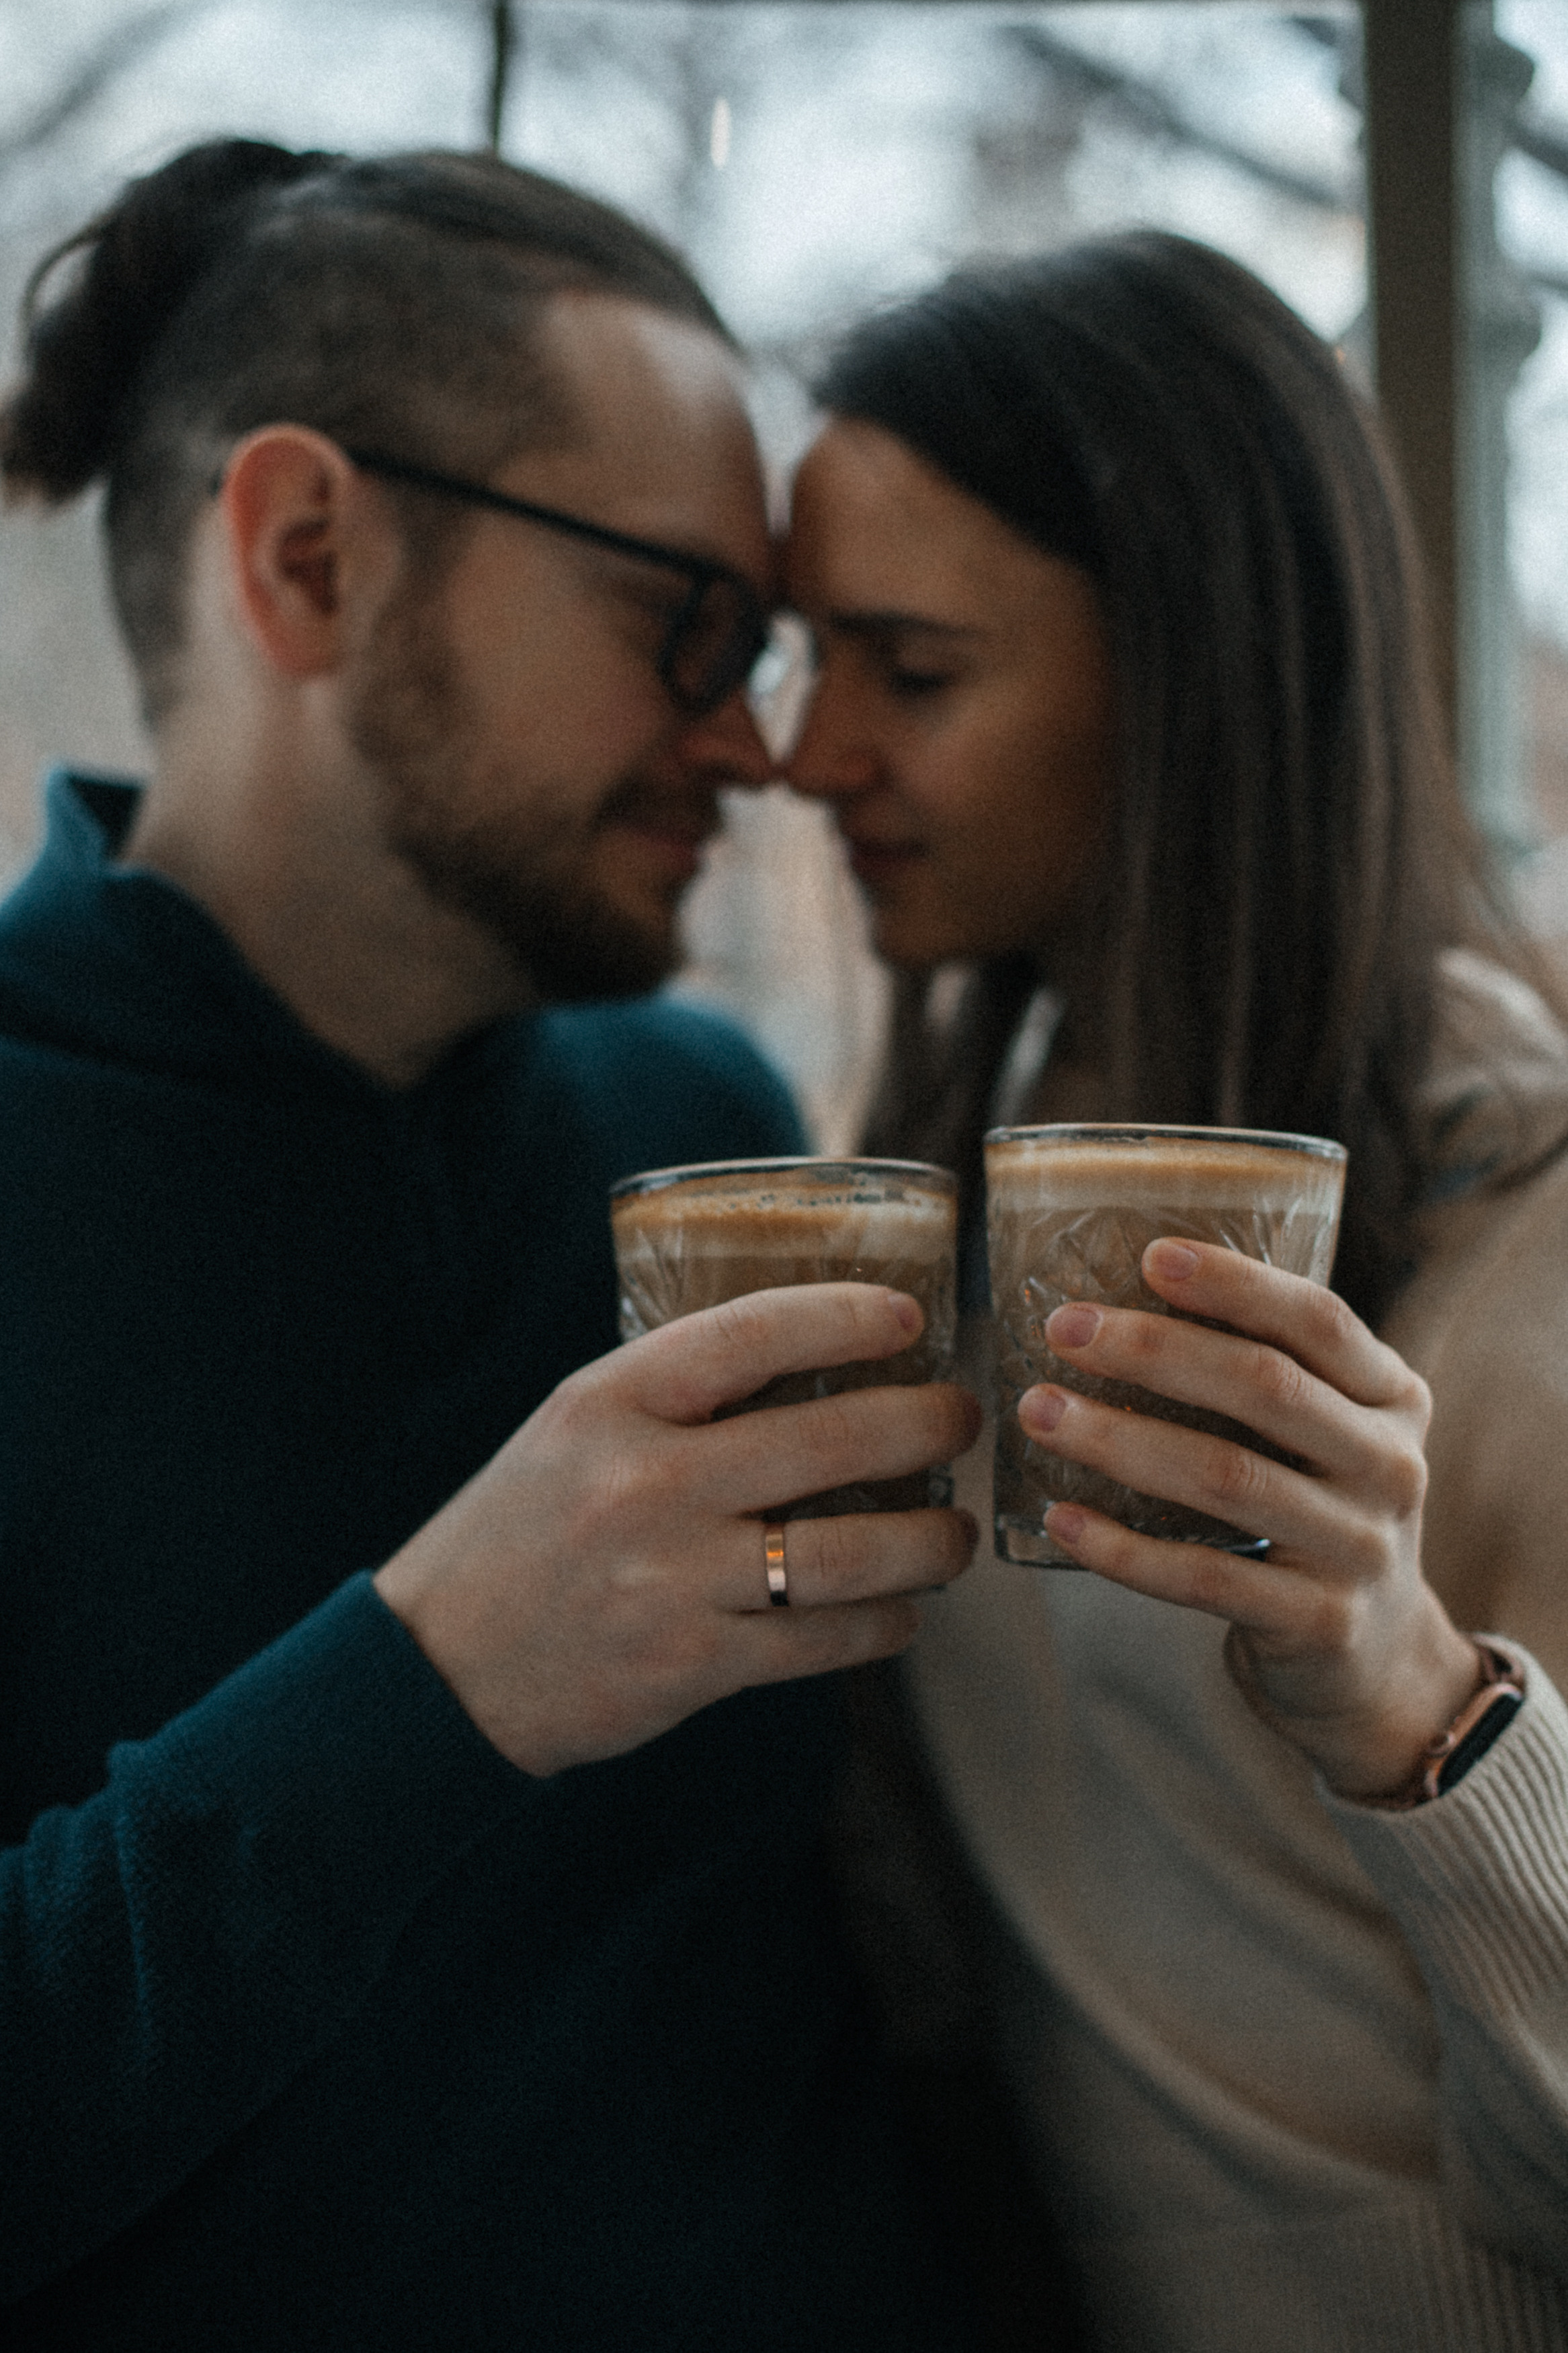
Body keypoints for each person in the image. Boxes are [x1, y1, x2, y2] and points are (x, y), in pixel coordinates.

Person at [0, 141, 987, 2350]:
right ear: (312, 555)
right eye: (685, 626)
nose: (759, 743)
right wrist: (437, 1682)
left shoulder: (708, 1141)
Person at [783, 231, 1568, 2349]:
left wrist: (1413, 1699)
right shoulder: (971, 1191)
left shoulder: (1538, 1242)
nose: (804, 752)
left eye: (910, 669)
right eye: (799, 656)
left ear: (1195, 670)